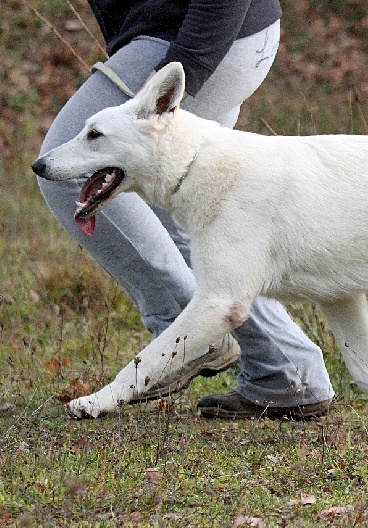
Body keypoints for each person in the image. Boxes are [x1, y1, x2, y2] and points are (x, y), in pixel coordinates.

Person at [36, 0, 334, 420]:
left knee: (65, 168)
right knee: (187, 199)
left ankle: (188, 330)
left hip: (199, 37)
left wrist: (187, 64)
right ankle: (285, 370)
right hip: (219, 37)